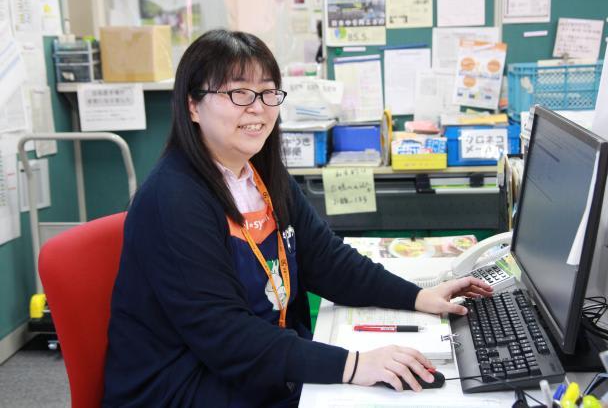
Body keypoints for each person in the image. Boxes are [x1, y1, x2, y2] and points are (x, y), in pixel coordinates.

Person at [103, 29, 492, 407]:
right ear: (192, 105)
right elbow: (225, 335)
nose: (257, 107)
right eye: (239, 92)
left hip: (260, 363)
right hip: (188, 384)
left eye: (268, 92)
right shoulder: (173, 199)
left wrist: (420, 297)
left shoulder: (260, 174)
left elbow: (328, 261)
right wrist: (353, 365)